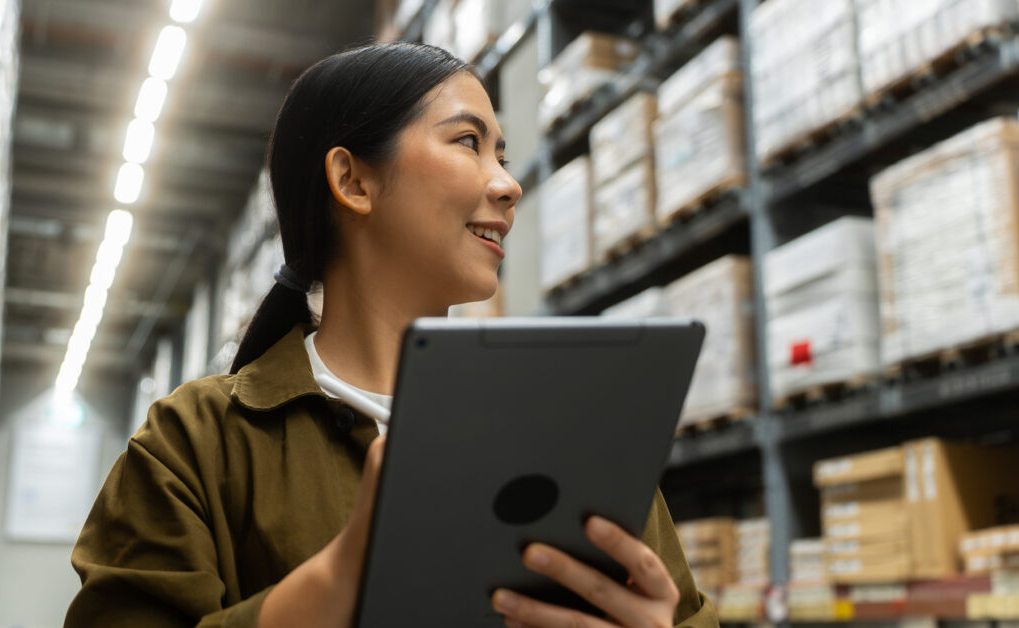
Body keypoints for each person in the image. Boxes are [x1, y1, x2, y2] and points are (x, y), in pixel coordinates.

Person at [65, 42, 719, 628]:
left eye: (503, 155)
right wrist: (339, 576)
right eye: (468, 142)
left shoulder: (572, 433)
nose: (509, 184)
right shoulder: (194, 446)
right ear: (352, 180)